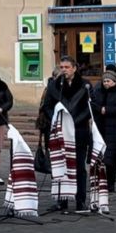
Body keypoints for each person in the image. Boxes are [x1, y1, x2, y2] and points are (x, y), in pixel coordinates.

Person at [37, 56, 93, 212]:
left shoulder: (85, 85)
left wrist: (74, 120)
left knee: (79, 167)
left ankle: (80, 200)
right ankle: (62, 200)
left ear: (74, 68)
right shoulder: (55, 85)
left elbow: (90, 108)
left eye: (67, 67)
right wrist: (56, 117)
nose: (64, 70)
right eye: (61, 67)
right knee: (61, 165)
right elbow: (47, 106)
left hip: (79, 130)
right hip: (60, 131)